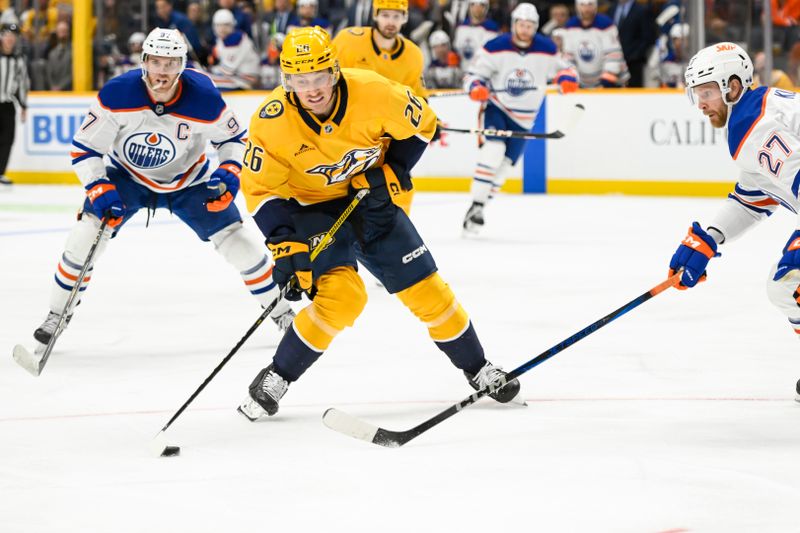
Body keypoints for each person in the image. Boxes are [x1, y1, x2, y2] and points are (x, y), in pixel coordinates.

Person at [236, 26, 522, 420]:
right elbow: (261, 190)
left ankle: (478, 368)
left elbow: (424, 124)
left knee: (429, 292)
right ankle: (276, 376)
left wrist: (394, 169)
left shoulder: (374, 90)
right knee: (343, 299)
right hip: (312, 208)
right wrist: (285, 244)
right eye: (299, 80)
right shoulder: (271, 122)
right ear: (287, 81)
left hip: (370, 201)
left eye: (318, 76)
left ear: (334, 72)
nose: (311, 89)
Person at [28, 28, 294, 358]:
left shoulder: (204, 97)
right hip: (127, 177)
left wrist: (228, 173)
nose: (162, 72)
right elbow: (85, 148)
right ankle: (57, 314)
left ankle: (281, 312)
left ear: (182, 65)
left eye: (170, 63)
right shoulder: (117, 95)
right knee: (85, 237)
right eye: (156, 62)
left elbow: (233, 140)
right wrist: (99, 187)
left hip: (189, 182)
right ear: (144, 62)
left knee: (241, 246)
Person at [667, 42, 800, 399]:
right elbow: (753, 198)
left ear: (734, 86)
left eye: (708, 92)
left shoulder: (750, 124)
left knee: (789, 282)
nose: (702, 103)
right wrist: (709, 239)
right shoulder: (758, 111)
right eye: (697, 93)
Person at [461, 3, 578, 234]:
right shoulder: (495, 47)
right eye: (521, 25)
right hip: (497, 108)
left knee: (503, 169)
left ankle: (480, 208)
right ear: (514, 24)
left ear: (535, 27)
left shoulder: (546, 48)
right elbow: (472, 75)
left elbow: (567, 69)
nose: (525, 30)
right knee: (493, 151)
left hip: (525, 119)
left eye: (530, 26)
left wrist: (567, 78)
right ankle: (475, 204)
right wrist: (476, 86)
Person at [331, 0, 426, 215]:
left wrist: (431, 121)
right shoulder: (349, 40)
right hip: (346, 129)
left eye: (396, 16)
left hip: (385, 135)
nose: (390, 22)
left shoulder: (413, 55)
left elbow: (417, 97)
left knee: (400, 186)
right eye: (385, 15)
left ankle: (399, 236)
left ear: (405, 18)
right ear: (375, 16)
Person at [561, 0, 628, 88]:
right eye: (583, 5)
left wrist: (607, 78)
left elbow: (613, 55)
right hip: (583, 84)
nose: (586, 8)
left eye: (590, 4)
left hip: (611, 81)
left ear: (595, 6)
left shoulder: (606, 24)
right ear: (577, 6)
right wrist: (572, 75)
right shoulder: (570, 26)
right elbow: (568, 57)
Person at [0, 22, 27, 186]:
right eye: (7, 35)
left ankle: (0, 172)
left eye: (13, 36)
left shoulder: (19, 60)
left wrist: (24, 105)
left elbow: (23, 83)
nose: (10, 39)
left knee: (7, 138)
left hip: (8, 104)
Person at [208, 8, 261, 90]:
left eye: (226, 25)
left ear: (232, 25)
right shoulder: (222, 40)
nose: (222, 29)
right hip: (237, 77)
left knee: (207, 82)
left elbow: (227, 70)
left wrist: (208, 70)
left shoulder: (236, 38)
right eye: (218, 25)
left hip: (244, 79)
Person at [452, 0, 498, 72]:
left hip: (481, 73)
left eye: (481, 5)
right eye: (473, 5)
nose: (477, 8)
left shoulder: (492, 28)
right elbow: (456, 50)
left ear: (486, 8)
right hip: (462, 72)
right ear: (469, 6)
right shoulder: (461, 27)